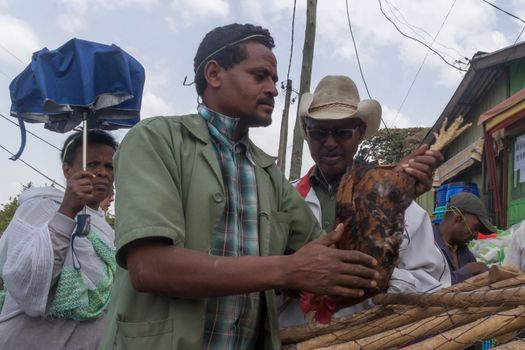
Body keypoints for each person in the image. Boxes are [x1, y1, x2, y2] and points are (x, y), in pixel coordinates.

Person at [98, 23, 381, 350]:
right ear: (215, 74)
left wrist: (392, 195)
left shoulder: (267, 172)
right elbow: (149, 268)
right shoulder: (155, 140)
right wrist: (287, 270)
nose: (274, 89)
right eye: (260, 75)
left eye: (273, 79)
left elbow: (328, 260)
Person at [278, 75, 451, 327]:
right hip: (292, 339)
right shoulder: (282, 199)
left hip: (369, 339)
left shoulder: (405, 209)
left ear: (360, 133)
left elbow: (436, 285)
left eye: (342, 132)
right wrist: (291, 277)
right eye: (318, 132)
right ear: (306, 131)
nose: (329, 143)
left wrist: (377, 276)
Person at [0, 130, 118, 349]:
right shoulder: (40, 208)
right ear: (67, 170)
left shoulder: (106, 230)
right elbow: (27, 283)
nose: (103, 172)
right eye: (92, 165)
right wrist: (67, 211)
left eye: (109, 166)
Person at [433, 192, 496, 284]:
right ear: (458, 219)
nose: (475, 236)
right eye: (475, 228)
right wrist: (470, 270)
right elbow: (429, 286)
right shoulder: (426, 243)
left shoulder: (465, 253)